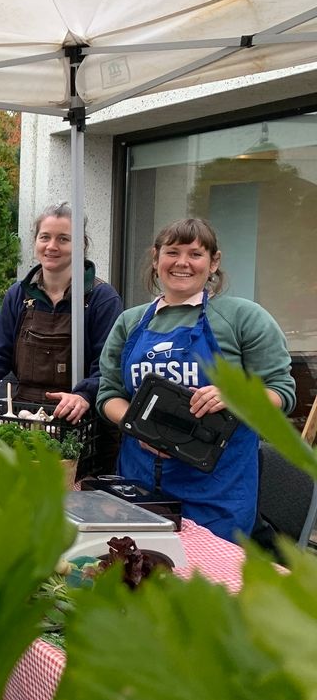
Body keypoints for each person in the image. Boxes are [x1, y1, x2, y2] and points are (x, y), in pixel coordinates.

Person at [97, 218, 296, 542]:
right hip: (139, 485)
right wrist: (138, 425)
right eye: (172, 252)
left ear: (213, 261)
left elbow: (282, 392)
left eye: (195, 253)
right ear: (156, 258)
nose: (182, 263)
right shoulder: (130, 322)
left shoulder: (243, 317)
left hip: (217, 493)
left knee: (208, 586)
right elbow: (109, 394)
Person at [0, 204, 124, 423]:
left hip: (80, 419)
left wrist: (85, 394)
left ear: (81, 244)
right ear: (35, 242)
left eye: (63, 239)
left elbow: (109, 369)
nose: (52, 246)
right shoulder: (20, 294)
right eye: (45, 237)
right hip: (26, 414)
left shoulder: (101, 299)